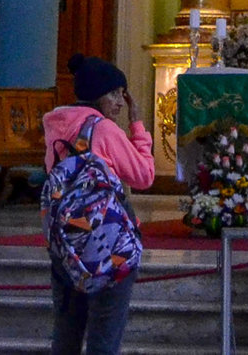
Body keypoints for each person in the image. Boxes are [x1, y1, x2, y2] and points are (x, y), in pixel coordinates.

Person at [40, 57, 153, 355]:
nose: (120, 102)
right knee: (104, 337)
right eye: (115, 94)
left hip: (65, 243)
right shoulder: (103, 129)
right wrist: (137, 124)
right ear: (97, 94)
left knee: (66, 333)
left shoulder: (55, 125)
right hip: (108, 243)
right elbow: (144, 176)